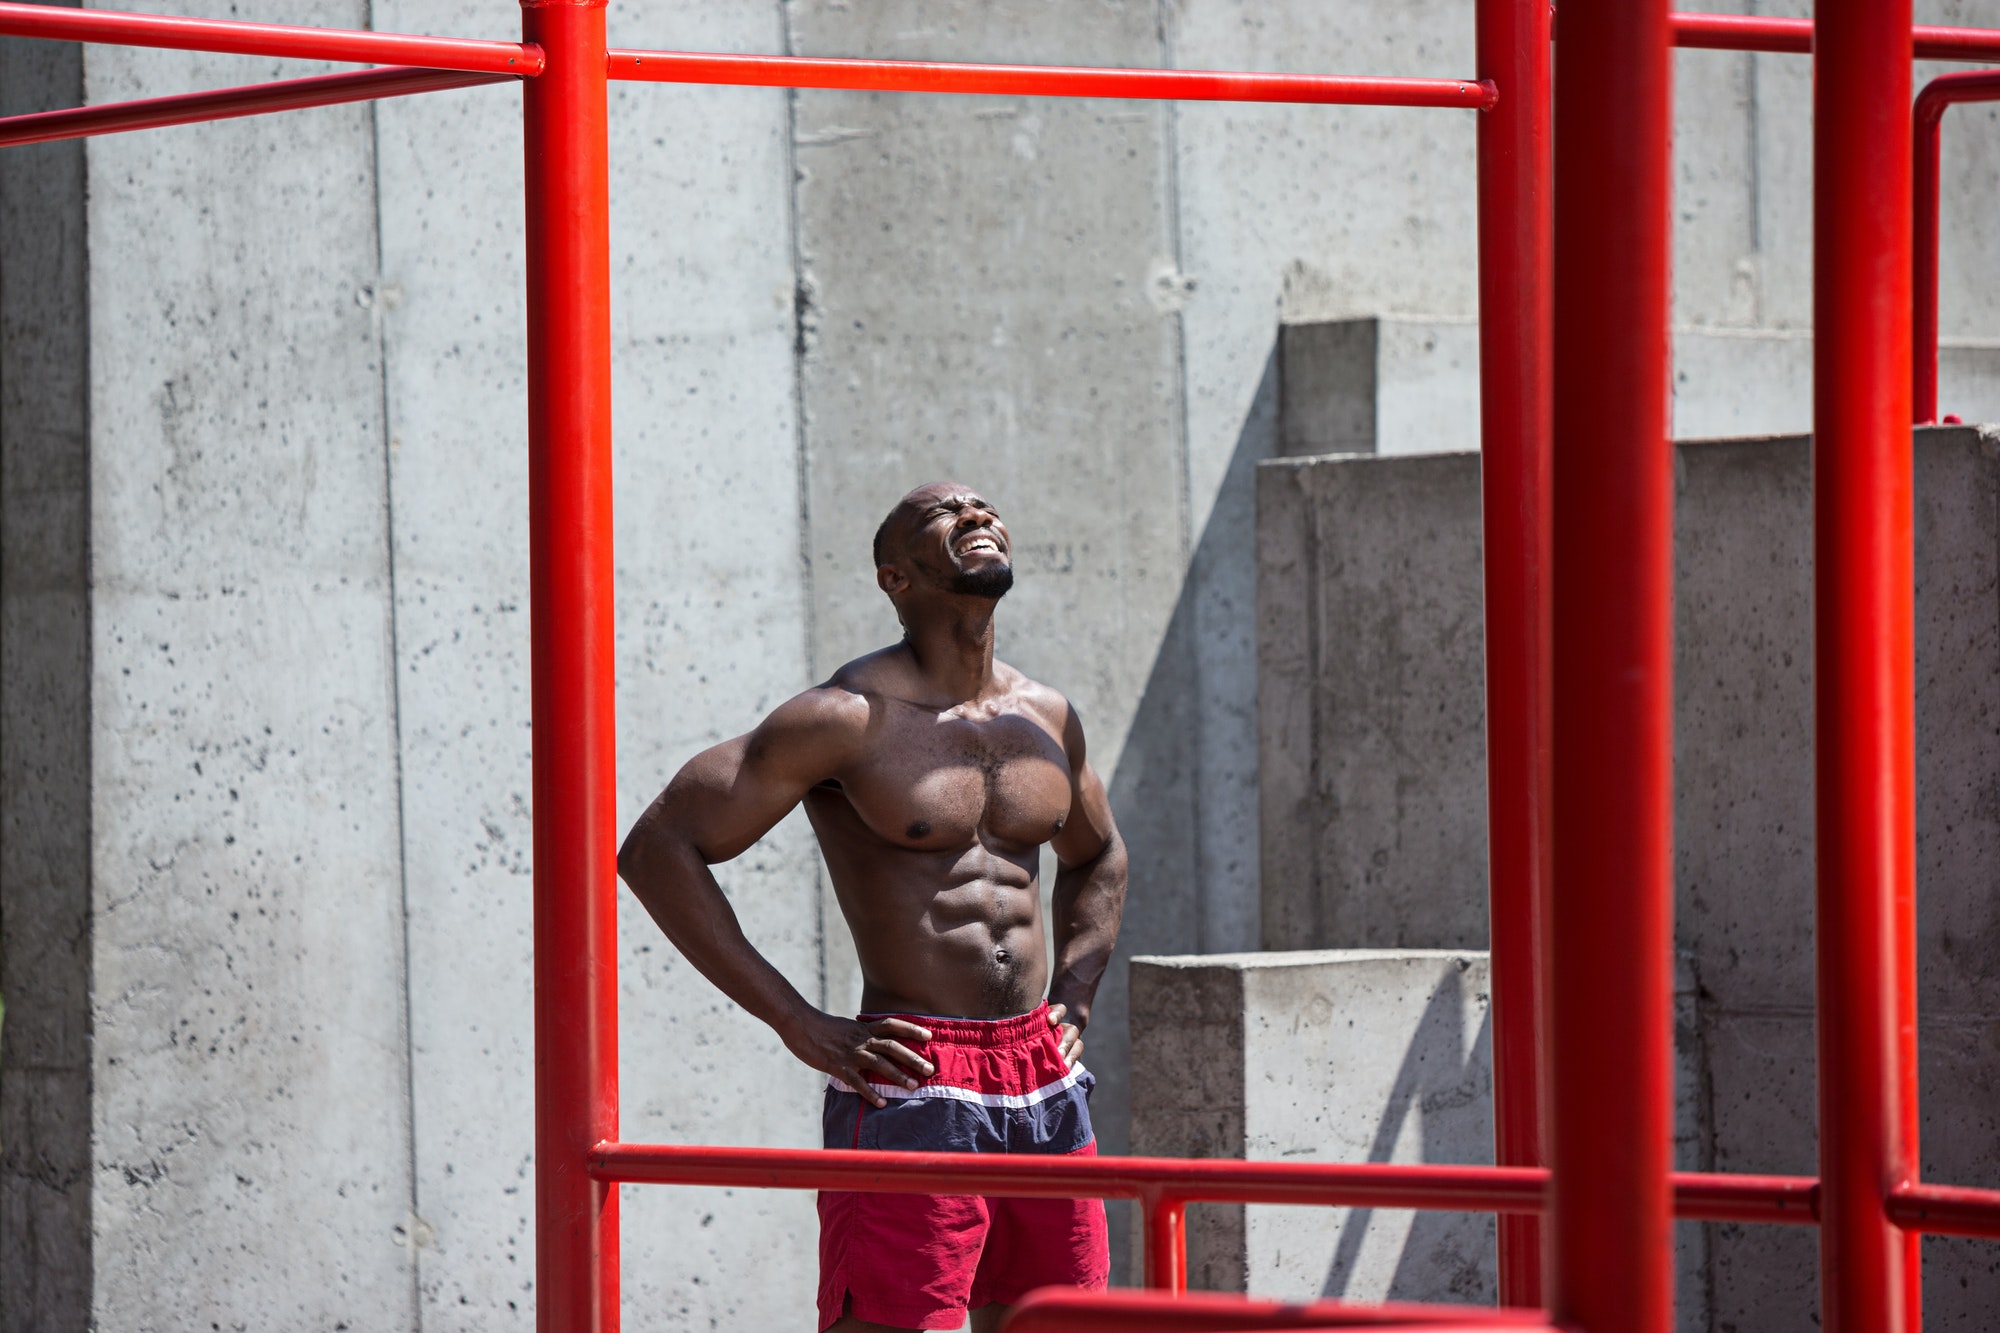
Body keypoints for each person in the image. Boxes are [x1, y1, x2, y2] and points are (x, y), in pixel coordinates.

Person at [618, 481, 1129, 1332]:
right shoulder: (844, 718)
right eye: (943, 512)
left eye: (984, 504)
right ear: (896, 578)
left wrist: (1077, 994)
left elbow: (1099, 852)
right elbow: (658, 849)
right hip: (915, 1071)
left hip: (1040, 1069)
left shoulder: (1047, 717)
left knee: (1057, 1320)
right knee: (895, 1322)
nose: (975, 514)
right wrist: (795, 1019)